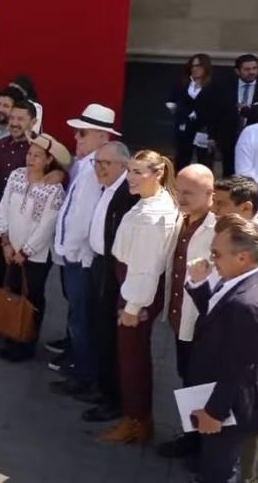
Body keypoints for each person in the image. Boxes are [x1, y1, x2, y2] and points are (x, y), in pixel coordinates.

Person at [101, 150, 178, 444]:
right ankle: (136, 418)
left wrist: (133, 306)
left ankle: (137, 422)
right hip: (131, 285)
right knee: (132, 357)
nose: (131, 178)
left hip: (136, 292)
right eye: (130, 171)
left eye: (138, 172)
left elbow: (146, 266)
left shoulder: (153, 215)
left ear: (157, 174)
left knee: (133, 359)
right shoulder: (150, 203)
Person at [183, 215, 258, 483]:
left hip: (227, 407)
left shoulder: (246, 303)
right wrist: (200, 284)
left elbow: (238, 367)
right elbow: (217, 319)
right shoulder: (240, 281)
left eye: (216, 254)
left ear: (243, 257)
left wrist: (215, 413)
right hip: (217, 394)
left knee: (219, 472)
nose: (212, 259)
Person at [49, 103, 121, 371]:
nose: (76, 138)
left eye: (83, 133)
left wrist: (70, 250)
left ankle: (82, 368)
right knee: (75, 308)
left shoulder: (97, 169)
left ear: (103, 137)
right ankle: (74, 351)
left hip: (80, 255)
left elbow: (85, 217)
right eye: (77, 133)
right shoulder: (84, 163)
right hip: (73, 252)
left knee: (82, 313)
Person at [154, 164, 215, 460]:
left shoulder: (218, 229)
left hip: (202, 323)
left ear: (210, 194)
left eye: (190, 193)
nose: (182, 197)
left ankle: (199, 445)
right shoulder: (183, 217)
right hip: (180, 317)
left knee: (199, 382)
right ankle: (191, 437)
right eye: (179, 190)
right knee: (185, 375)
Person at [0, 133, 69, 361]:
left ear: (49, 160)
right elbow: (3, 207)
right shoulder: (16, 175)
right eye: (29, 154)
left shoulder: (54, 190)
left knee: (33, 297)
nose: (31, 159)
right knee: (13, 291)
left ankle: (27, 342)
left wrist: (25, 251)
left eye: (37, 156)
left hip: (36, 255)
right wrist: (6, 242)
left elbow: (47, 225)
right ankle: (11, 334)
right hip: (11, 249)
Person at [82, 142, 140, 424]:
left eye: (106, 163)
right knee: (97, 330)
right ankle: (101, 387)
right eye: (97, 162)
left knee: (108, 336)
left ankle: (112, 400)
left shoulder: (127, 194)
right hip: (98, 265)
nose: (100, 168)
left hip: (113, 272)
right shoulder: (107, 187)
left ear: (123, 166)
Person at [0, 100, 38, 313]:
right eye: (12, 118)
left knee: (17, 274)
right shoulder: (0, 145)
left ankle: (14, 319)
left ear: (33, 122)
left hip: (23, 225)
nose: (14, 123)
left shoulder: (38, 148)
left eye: (20, 119)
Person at [207, 53, 258, 176]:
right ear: (237, 71)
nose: (252, 72)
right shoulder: (224, 86)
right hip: (229, 137)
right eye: (247, 69)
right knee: (229, 173)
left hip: (254, 139)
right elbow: (215, 112)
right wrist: (212, 136)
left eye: (255, 68)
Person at [168, 53, 214, 170]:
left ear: (206, 67)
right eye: (193, 66)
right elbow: (171, 101)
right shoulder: (182, 83)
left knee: (204, 160)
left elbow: (216, 107)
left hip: (204, 128)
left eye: (199, 66)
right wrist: (179, 113)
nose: (195, 69)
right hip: (184, 127)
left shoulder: (212, 85)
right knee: (182, 158)